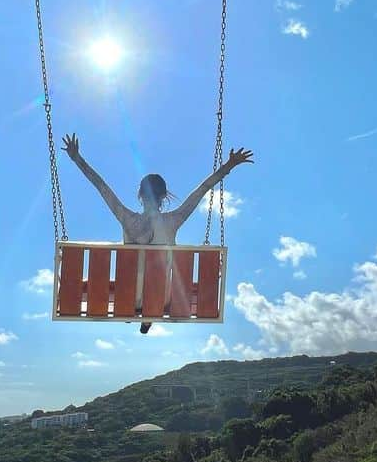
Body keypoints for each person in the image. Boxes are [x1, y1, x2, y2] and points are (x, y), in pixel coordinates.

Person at [61, 133, 253, 333]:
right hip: (160, 299)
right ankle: (147, 317)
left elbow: (101, 187)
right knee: (163, 280)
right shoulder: (174, 220)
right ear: (163, 196)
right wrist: (229, 165)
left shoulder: (126, 218)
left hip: (125, 298)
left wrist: (76, 158)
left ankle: (132, 312)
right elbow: (203, 190)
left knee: (113, 282)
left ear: (140, 195)